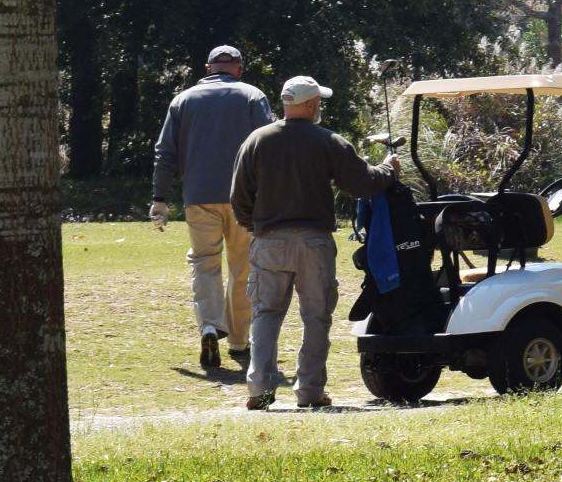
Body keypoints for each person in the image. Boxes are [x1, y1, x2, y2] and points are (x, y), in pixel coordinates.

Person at [229, 74, 392, 411]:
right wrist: (389, 168)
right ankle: (310, 391)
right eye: (318, 102)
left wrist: (256, 226)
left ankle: (259, 389)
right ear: (311, 104)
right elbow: (363, 183)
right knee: (316, 316)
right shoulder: (329, 141)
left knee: (266, 313)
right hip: (315, 241)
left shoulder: (257, 140)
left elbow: (239, 196)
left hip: (269, 240)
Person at [150, 45, 274, 376]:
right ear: (239, 68)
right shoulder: (252, 95)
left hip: (198, 197)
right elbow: (269, 144)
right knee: (242, 268)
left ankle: (208, 326)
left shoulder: (183, 100)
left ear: (208, 68)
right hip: (244, 198)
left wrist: (159, 197)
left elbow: (165, 153)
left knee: (204, 264)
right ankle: (237, 340)